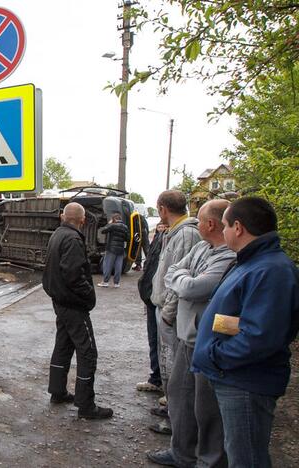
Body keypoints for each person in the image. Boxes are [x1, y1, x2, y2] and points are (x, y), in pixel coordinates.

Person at [193, 197, 299, 468]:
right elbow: (244, 320)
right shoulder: (253, 262)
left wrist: (216, 356)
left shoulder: (271, 270)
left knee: (246, 459)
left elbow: (260, 337)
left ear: (238, 228)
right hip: (235, 377)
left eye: (225, 225)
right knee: (237, 452)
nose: (223, 231)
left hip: (244, 382)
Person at [147, 200, 235, 468]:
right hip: (187, 336)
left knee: (205, 407)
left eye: (200, 219)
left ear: (210, 224)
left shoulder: (229, 256)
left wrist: (183, 281)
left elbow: (195, 288)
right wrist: (184, 279)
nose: (196, 223)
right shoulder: (201, 246)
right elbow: (174, 272)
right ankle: (181, 453)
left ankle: (207, 460)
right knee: (179, 395)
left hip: (205, 341)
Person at [42, 202, 112, 419]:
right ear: (82, 220)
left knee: (63, 345)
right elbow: (74, 274)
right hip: (73, 304)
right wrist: (88, 296)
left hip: (61, 301)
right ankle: (86, 405)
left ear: (63, 216)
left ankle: (58, 391)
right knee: (88, 351)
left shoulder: (58, 234)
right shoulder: (72, 238)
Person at [150, 190, 201, 435]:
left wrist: (168, 313)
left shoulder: (187, 234)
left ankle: (176, 419)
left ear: (162, 209)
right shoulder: (176, 232)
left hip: (171, 313)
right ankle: (171, 407)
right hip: (165, 308)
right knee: (168, 362)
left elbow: (180, 278)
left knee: (174, 365)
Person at [136, 222, 168, 394]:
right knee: (154, 340)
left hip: (161, 301)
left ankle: (166, 386)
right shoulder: (162, 235)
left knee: (163, 343)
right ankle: (157, 379)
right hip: (152, 297)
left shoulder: (180, 235)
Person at [98, 213, 130, 288]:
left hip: (111, 249)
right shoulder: (125, 227)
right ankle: (116, 283)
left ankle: (105, 282)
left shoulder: (112, 225)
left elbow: (103, 231)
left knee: (108, 265)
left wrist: (109, 224)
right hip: (120, 249)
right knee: (118, 266)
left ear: (114, 219)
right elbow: (127, 238)